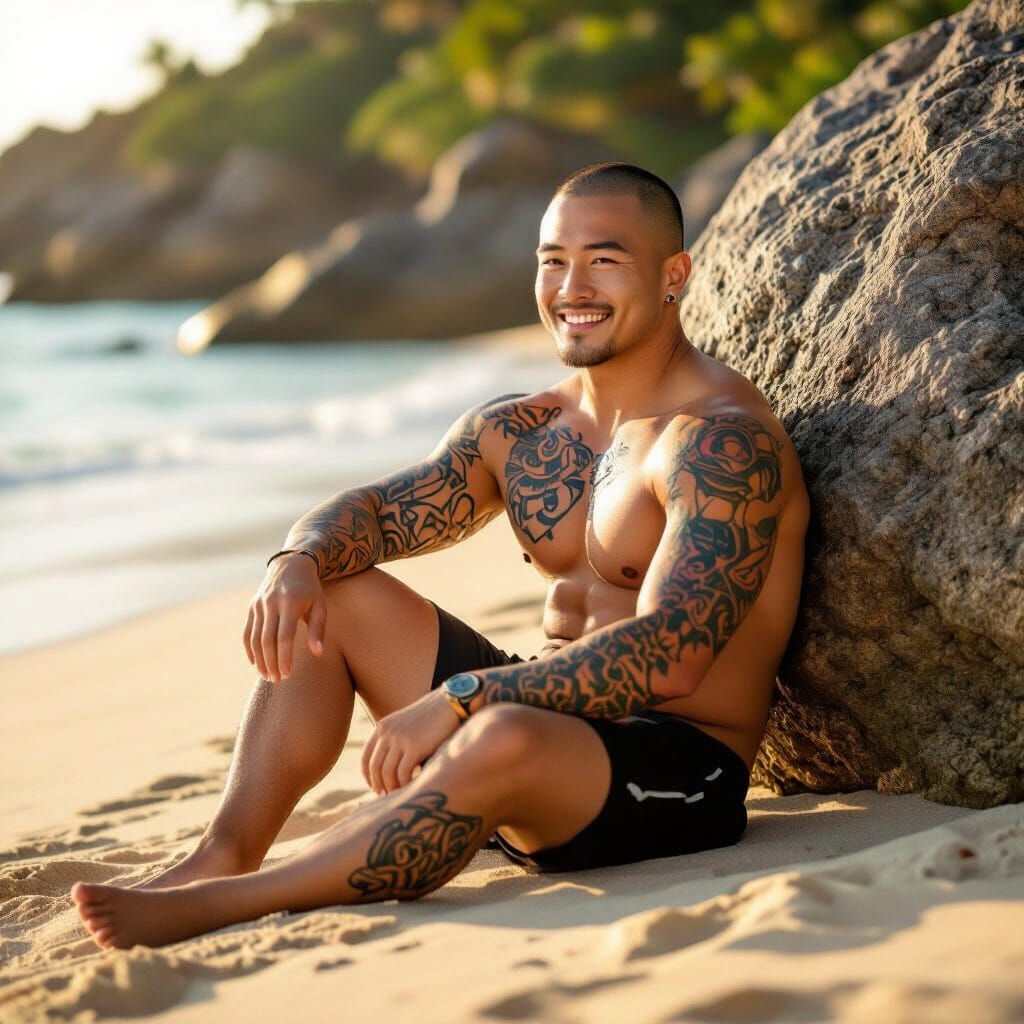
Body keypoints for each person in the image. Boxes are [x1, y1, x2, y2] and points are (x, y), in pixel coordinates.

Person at [71, 162, 810, 949]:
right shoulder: (523, 431)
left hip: (674, 771)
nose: (571, 285)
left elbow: (674, 656)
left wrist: (464, 696)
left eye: (604, 259)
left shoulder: (720, 440)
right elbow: (376, 511)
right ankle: (225, 854)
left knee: (500, 735)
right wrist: (294, 559)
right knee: (338, 588)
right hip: (531, 718)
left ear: (674, 275)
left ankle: (241, 902)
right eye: (552, 259)